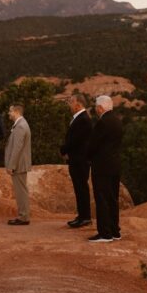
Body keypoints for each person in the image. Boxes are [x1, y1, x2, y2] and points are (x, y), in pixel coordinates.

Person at [86, 95, 123, 243]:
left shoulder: (103, 123)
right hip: (115, 165)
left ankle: (105, 234)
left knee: (101, 199)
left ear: (100, 108)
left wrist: (87, 155)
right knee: (113, 199)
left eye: (96, 107)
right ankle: (115, 231)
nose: (95, 109)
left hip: (102, 167)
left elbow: (93, 144)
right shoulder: (117, 120)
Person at [60, 94, 93, 228]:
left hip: (80, 160)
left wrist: (63, 150)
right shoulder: (80, 118)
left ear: (78, 104)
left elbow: (75, 140)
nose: (69, 105)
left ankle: (85, 217)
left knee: (81, 188)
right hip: (77, 159)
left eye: (71, 102)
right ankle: (82, 216)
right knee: (79, 188)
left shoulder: (83, 119)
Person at [4, 104, 32, 226]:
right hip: (20, 164)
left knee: (21, 191)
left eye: (10, 111)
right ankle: (23, 215)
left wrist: (11, 165)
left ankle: (23, 217)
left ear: (16, 112)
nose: (8, 113)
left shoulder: (20, 126)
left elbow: (17, 148)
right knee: (21, 190)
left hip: (19, 164)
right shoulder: (21, 124)